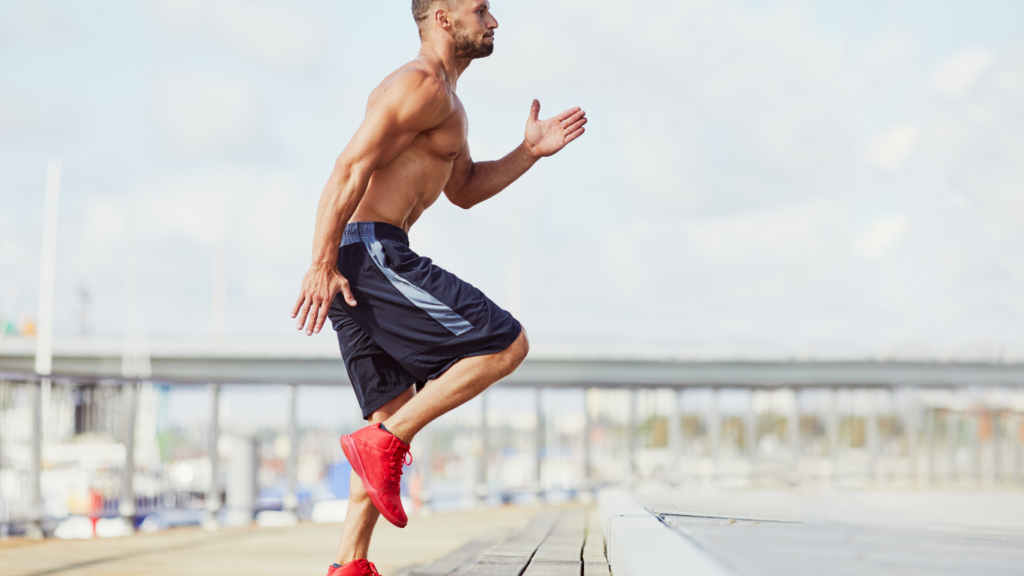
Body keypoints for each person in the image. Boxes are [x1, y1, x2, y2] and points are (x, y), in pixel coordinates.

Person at [291, 1, 586, 574]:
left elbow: (466, 189)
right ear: (444, 19)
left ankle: (349, 564)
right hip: (371, 252)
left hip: (361, 258)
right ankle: (386, 445)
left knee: (388, 417)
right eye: (481, 10)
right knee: (505, 344)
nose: (493, 21)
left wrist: (528, 152)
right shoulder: (419, 86)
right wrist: (320, 262)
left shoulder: (449, 103)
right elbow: (348, 168)